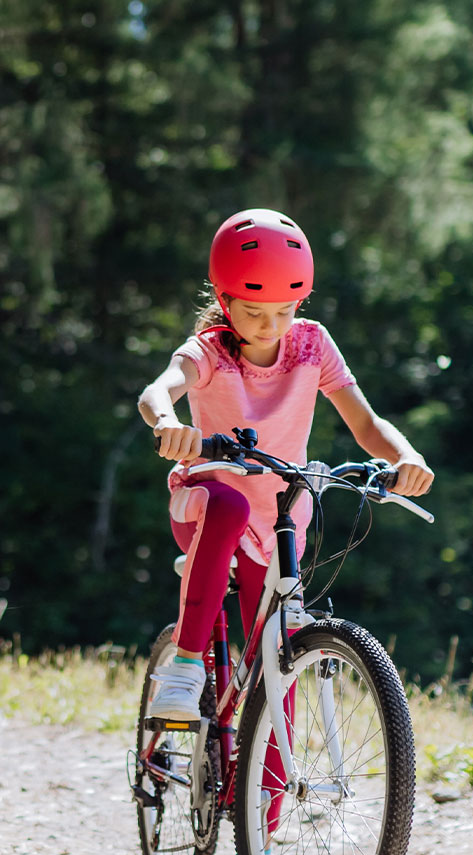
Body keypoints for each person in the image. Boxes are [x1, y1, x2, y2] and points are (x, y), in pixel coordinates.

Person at [136, 207, 434, 722]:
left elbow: (366, 424)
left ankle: (266, 799)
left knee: (279, 658)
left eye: (285, 310)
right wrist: (168, 422)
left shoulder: (312, 344)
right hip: (206, 502)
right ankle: (185, 666)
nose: (271, 326)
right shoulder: (209, 351)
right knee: (226, 504)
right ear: (224, 299)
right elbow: (157, 391)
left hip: (277, 521)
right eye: (254, 312)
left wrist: (406, 456)